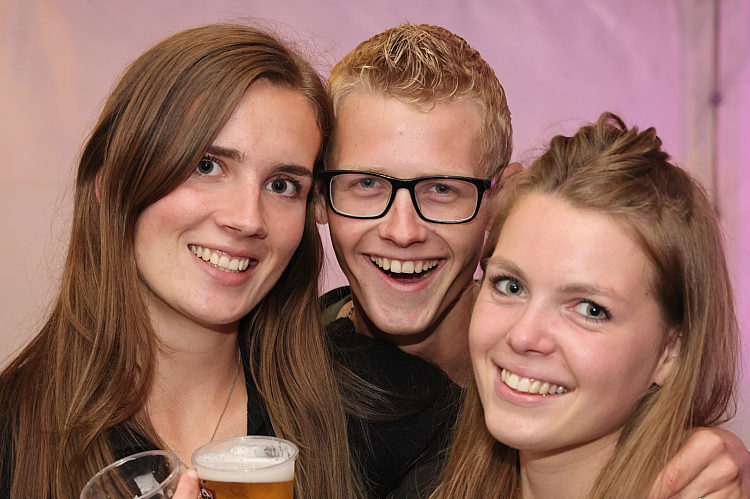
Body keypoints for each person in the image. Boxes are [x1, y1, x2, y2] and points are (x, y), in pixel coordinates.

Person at [318, 23, 750, 498]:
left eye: (442, 189)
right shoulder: (281, 364)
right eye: (511, 286)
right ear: (320, 194)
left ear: (499, 197)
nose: (403, 231)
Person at [0, 24, 362, 498]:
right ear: (110, 182)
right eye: (206, 166)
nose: (247, 219)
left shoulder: (370, 412)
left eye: (281, 185)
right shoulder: (10, 439)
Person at [434, 112, 742, 498]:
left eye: (589, 309)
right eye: (510, 286)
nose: (524, 335)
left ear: (671, 351)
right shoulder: (427, 478)